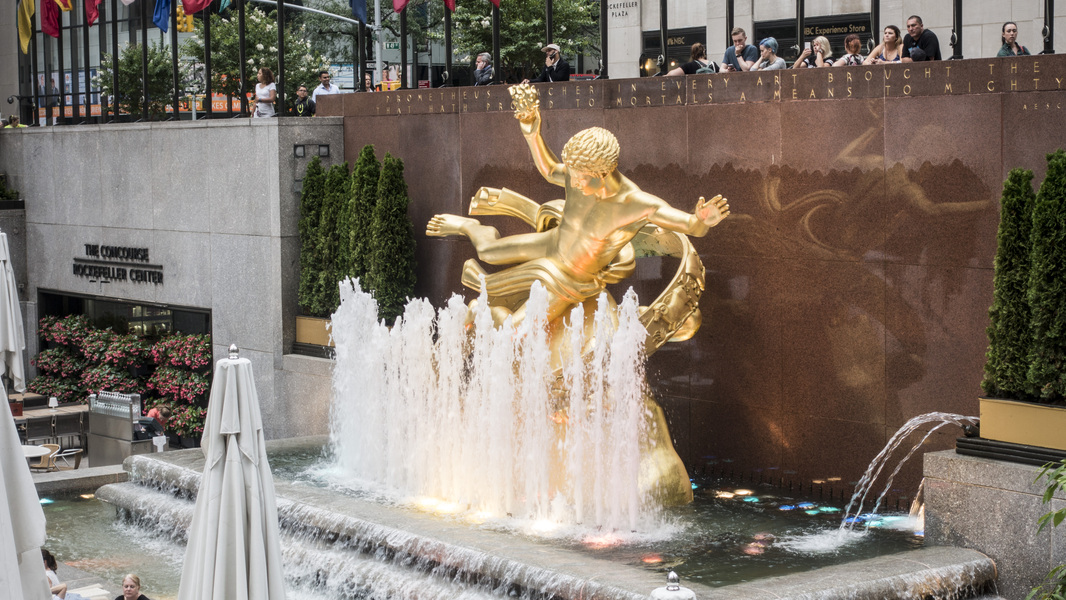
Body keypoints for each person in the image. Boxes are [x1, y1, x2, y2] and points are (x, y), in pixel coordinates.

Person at [426, 83, 729, 328]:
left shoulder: (635, 204)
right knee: (487, 251)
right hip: (552, 242)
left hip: (570, 280)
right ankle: (472, 226)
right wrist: (532, 132)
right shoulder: (578, 175)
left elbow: (688, 226)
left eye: (582, 179)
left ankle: (485, 317)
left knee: (514, 333)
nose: (575, 183)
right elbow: (548, 170)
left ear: (604, 173)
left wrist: (701, 220)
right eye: (573, 176)